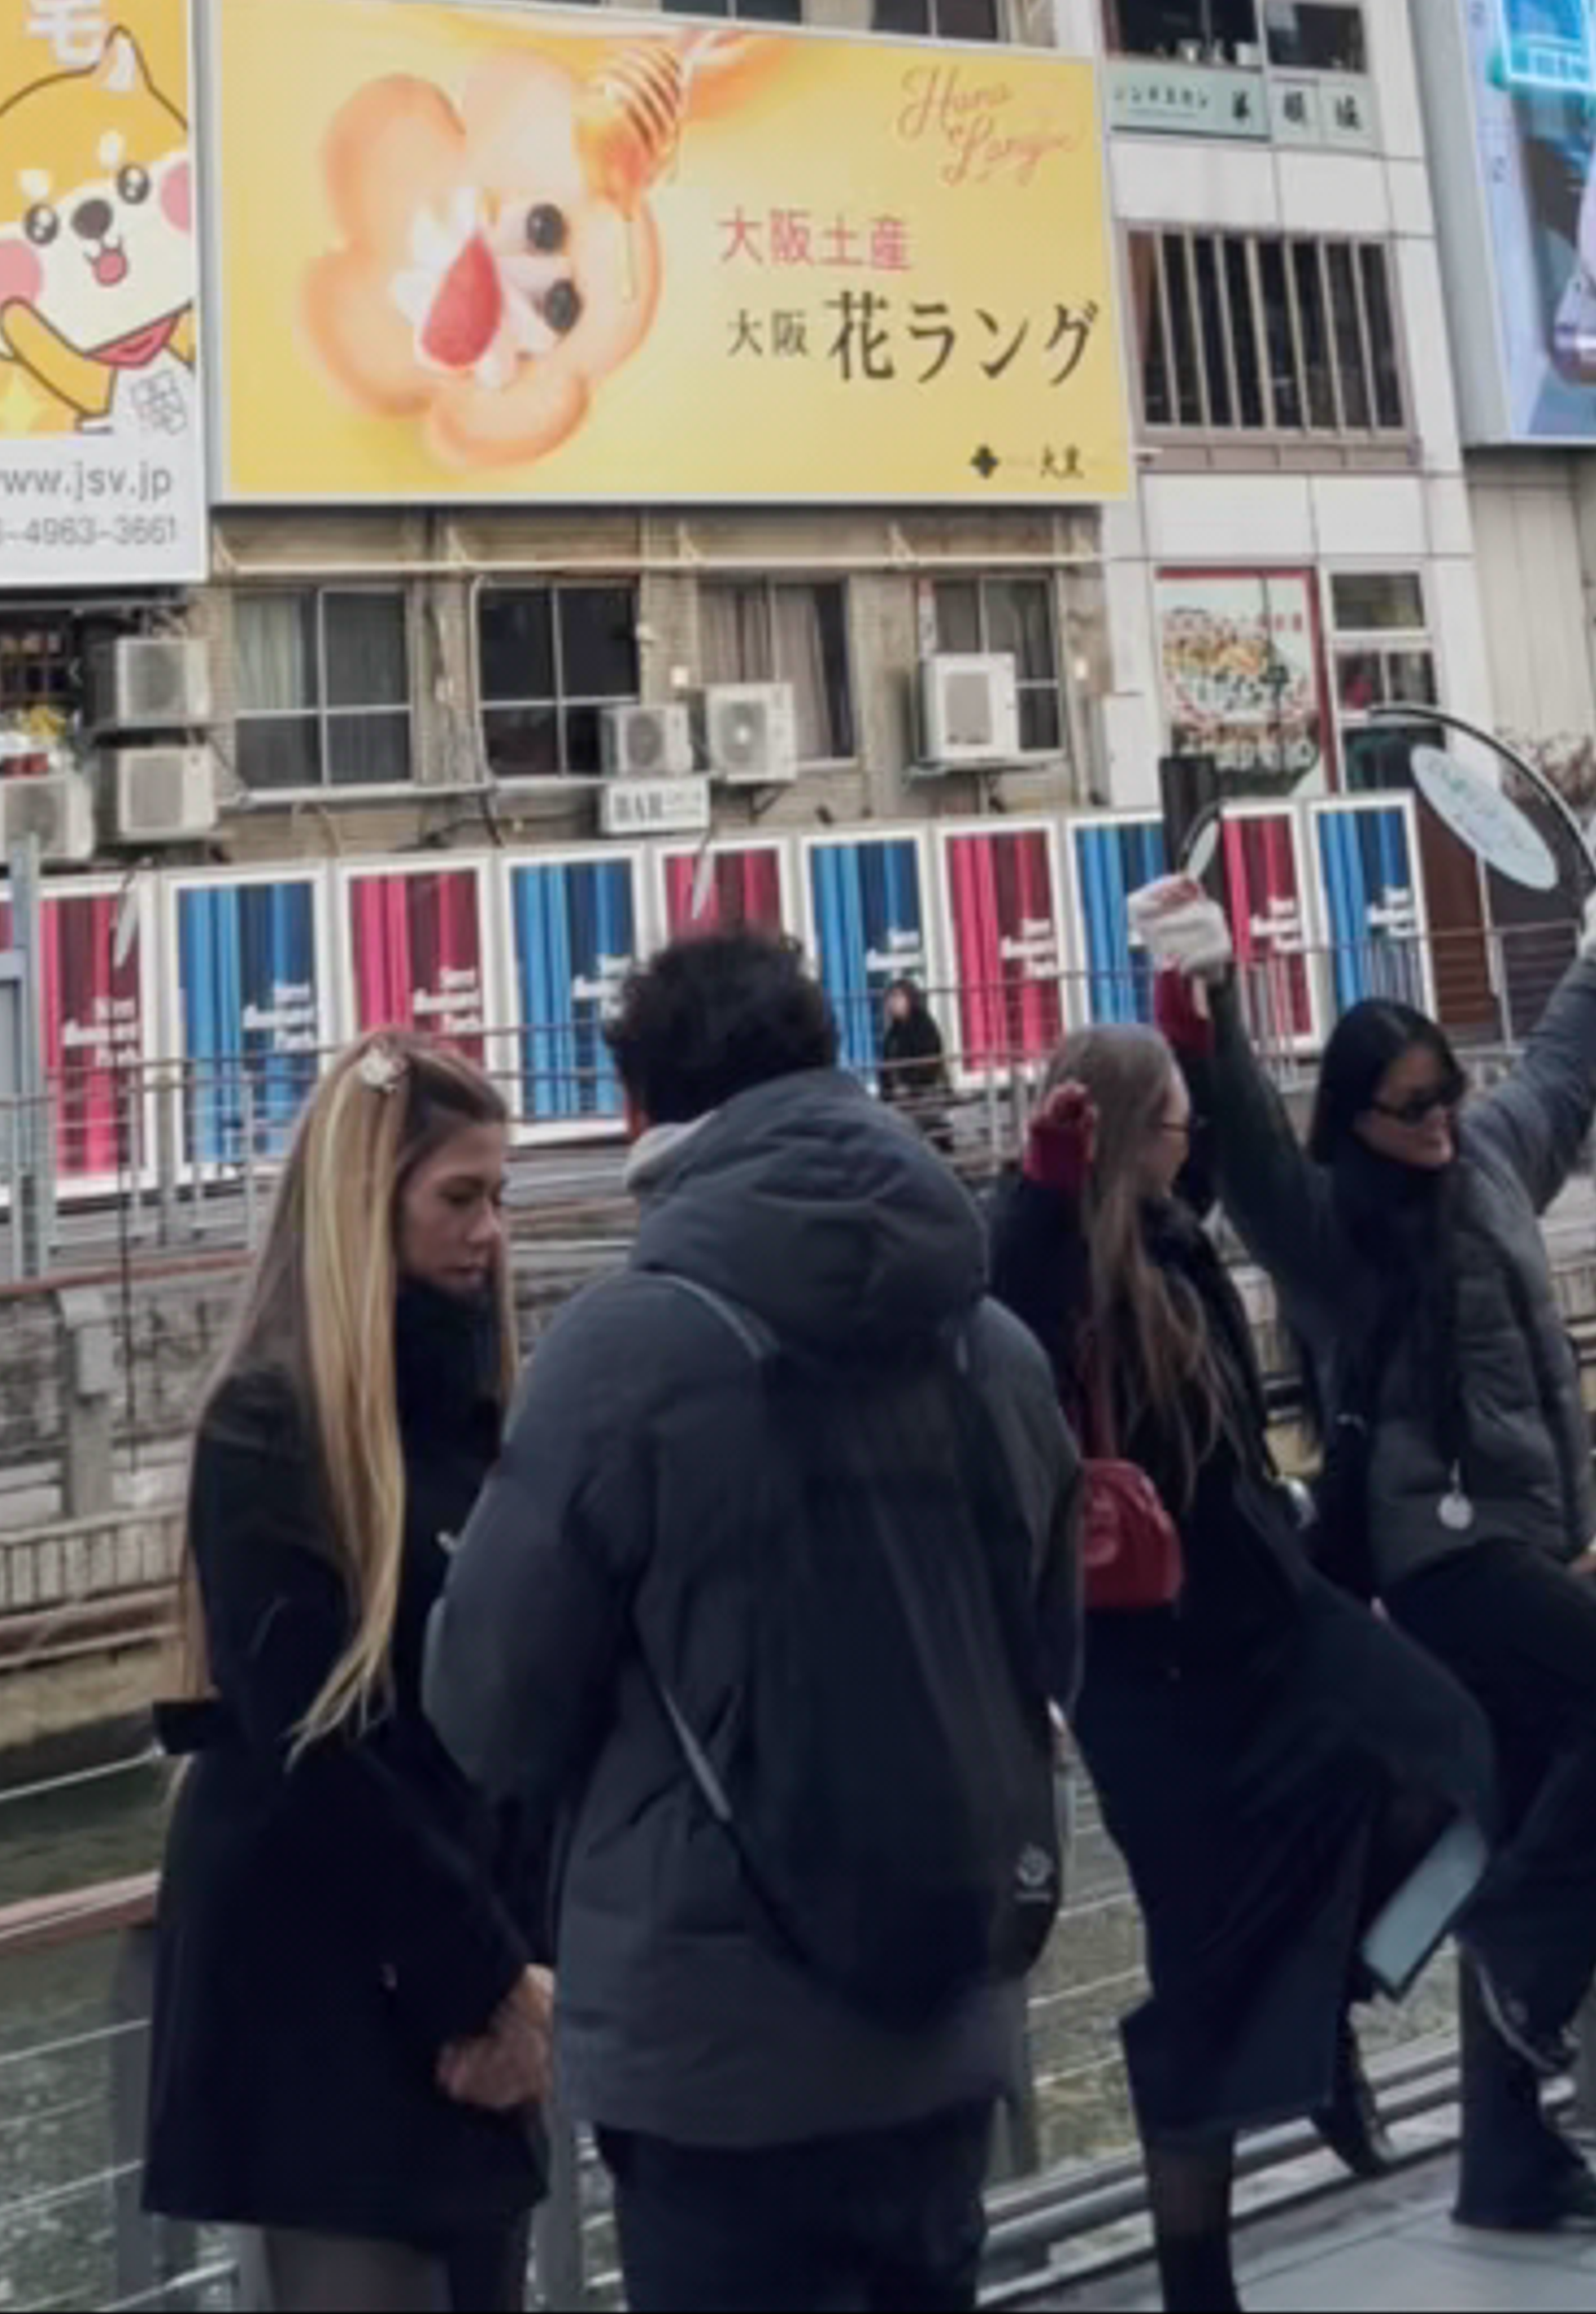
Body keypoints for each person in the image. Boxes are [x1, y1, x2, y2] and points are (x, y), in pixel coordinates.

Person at [429, 926, 1079, 2314]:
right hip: (951, 1995)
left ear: (635, 1112)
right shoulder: (996, 1346)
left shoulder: (627, 1350)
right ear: (833, 1060)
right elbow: (1048, 1643)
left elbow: (487, 1701)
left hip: (716, 2054)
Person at [1133, 870, 1596, 2242]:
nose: (1442, 1124)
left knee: (1507, 1810)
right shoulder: (1329, 1228)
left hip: (1529, 1543)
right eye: (1411, 1106)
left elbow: (1562, 1069)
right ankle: (1509, 1951)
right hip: (1443, 1557)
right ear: (1359, 1116)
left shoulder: (1493, 1155)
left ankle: (1507, 2160)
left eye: (1448, 1093)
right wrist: (1205, 991)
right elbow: (1254, 1148)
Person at [989, 1021, 1496, 2313]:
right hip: (1156, 1676)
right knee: (1200, 1981)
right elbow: (1010, 1300)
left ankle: (1327, 1991)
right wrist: (1044, 1184)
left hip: (1270, 1616)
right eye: (1170, 1120)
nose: (1190, 1138)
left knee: (1461, 1760)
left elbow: (1246, 1168)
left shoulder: (1175, 1233)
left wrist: (1204, 1026)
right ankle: (1200, 2287)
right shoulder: (1069, 1261)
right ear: (1114, 1136)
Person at [145, 1035, 549, 2314]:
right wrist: (493, 1977)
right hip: (326, 1988)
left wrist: (521, 1984)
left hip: (472, 1976)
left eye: (498, 1196)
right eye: (458, 1196)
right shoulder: (269, 1424)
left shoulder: (480, 1411)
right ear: (364, 1202)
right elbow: (314, 1739)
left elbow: (520, 1714)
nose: (489, 1231)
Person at [877, 971, 954, 1126]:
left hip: (924, 1097)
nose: (892, 1003)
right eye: (890, 998)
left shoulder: (924, 1027)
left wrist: (909, 1087)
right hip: (899, 1099)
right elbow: (885, 1066)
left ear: (910, 999)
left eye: (898, 997)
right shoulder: (893, 1033)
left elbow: (929, 1065)